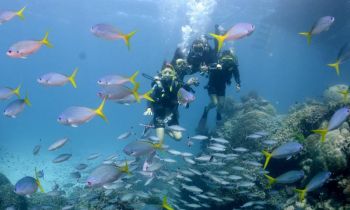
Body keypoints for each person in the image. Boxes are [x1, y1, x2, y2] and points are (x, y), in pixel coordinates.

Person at [143, 63, 196, 143]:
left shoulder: (177, 85)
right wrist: (149, 108)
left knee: (178, 138)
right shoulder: (157, 85)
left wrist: (188, 86)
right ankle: (158, 127)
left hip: (172, 114)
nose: (167, 74)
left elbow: (183, 95)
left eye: (170, 73)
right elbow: (150, 96)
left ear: (174, 75)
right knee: (160, 142)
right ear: (161, 74)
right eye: (165, 72)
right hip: (159, 114)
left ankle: (165, 130)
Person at [197, 49, 241, 133]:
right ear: (221, 59)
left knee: (221, 104)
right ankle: (206, 110)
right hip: (212, 86)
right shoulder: (216, 64)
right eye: (225, 59)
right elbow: (209, 68)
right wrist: (209, 68)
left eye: (230, 59)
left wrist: (238, 84)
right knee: (215, 103)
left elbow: (237, 76)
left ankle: (218, 113)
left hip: (222, 87)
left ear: (233, 59)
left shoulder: (233, 66)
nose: (227, 61)